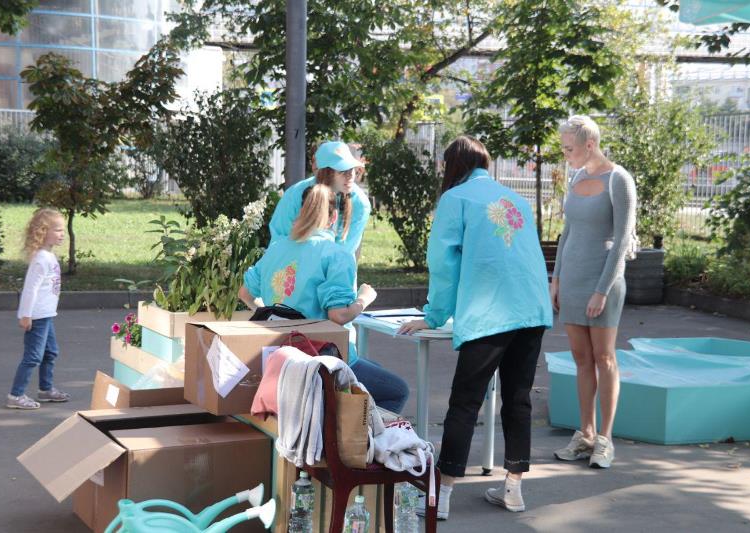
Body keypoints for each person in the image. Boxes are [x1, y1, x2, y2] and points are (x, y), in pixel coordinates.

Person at [398, 136, 552, 518]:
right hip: (532, 309)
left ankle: (443, 494)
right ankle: (513, 489)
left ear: (453, 165)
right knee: (518, 399)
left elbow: (443, 264)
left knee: (465, 402)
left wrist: (434, 315)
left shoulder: (456, 199)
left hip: (490, 312)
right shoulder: (515, 198)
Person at [240, 184, 409, 413]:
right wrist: (364, 299)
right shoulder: (337, 254)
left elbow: (245, 293)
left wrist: (272, 320)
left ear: (301, 212)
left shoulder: (276, 249)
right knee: (397, 391)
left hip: (282, 359)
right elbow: (338, 315)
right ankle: (353, 434)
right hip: (324, 359)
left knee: (374, 370)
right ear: (334, 217)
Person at [551, 115, 637, 469]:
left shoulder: (619, 179)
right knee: (580, 358)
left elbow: (622, 240)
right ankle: (585, 434)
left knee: (604, 358)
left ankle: (605, 439)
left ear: (590, 145)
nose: (565, 154)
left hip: (603, 282)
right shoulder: (576, 177)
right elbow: (567, 232)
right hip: (572, 281)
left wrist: (602, 290)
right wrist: (556, 279)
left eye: (569, 148)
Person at [7, 208, 70, 409]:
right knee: (33, 356)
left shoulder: (49, 256)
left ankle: (45, 389)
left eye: (63, 230)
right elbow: (30, 289)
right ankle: (16, 395)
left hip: (46, 314)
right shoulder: (41, 259)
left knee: (50, 352)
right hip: (37, 316)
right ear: (43, 232)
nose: (62, 234)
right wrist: (25, 315)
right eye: (57, 230)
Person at [269, 141, 371, 258]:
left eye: (351, 168)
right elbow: (279, 240)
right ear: (327, 172)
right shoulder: (295, 195)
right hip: (292, 264)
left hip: (335, 266)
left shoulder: (360, 204)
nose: (350, 175)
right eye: (342, 170)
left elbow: (343, 253)